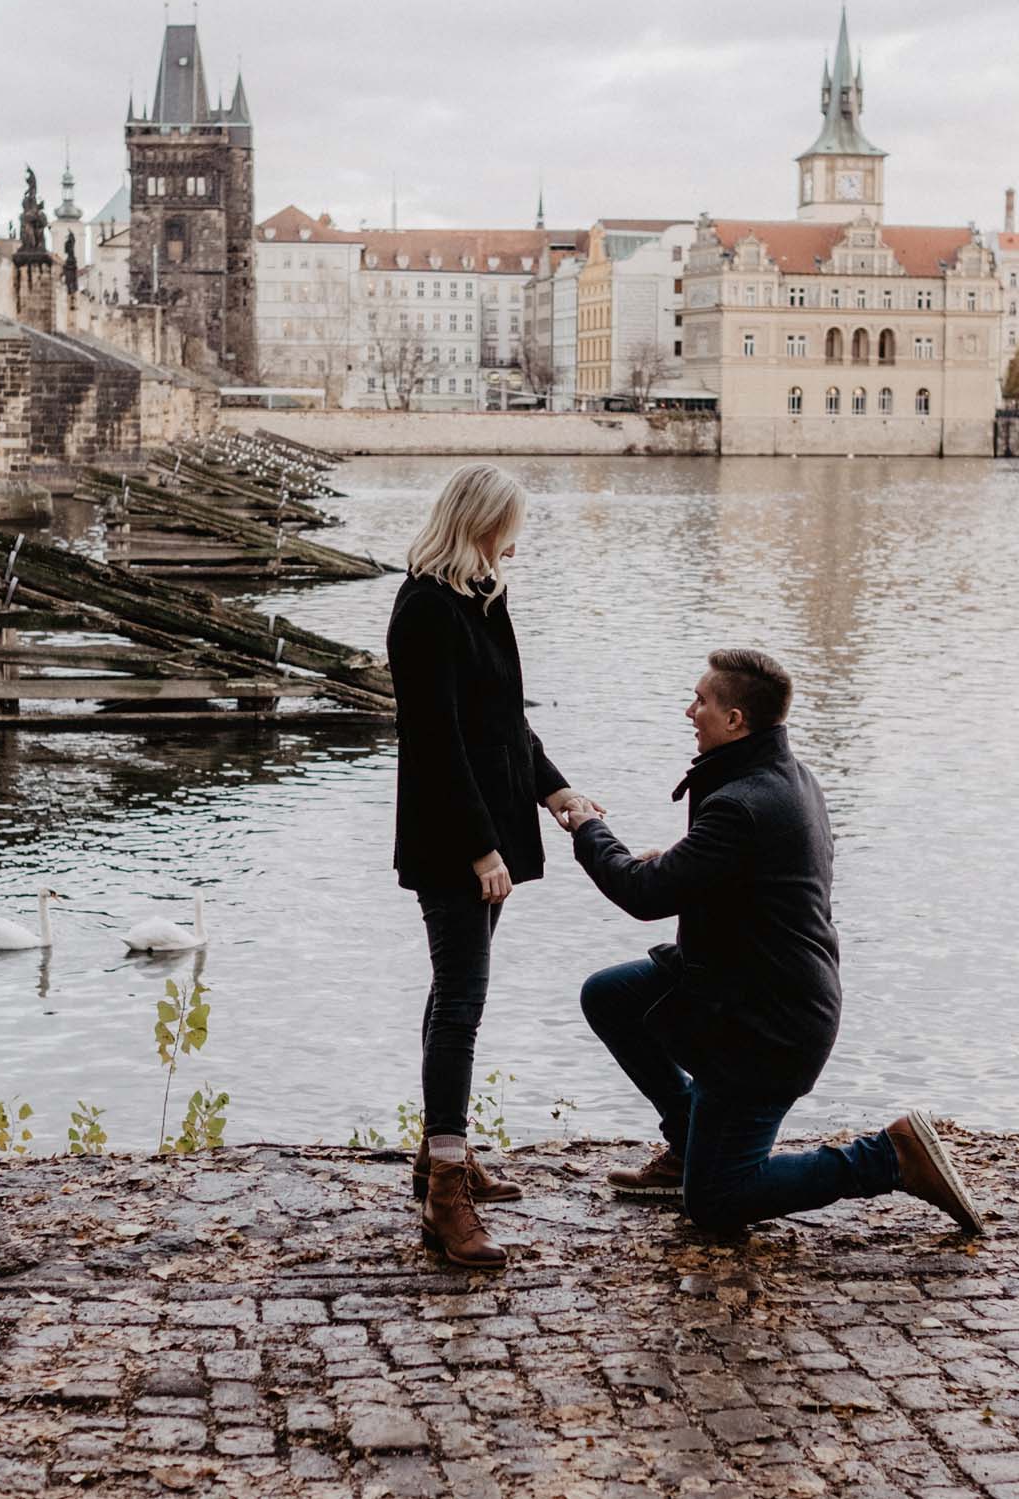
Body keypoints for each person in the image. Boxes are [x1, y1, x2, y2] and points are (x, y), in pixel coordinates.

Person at [563, 648, 985, 1237]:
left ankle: (889, 1157)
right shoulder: (786, 779)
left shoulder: (742, 802)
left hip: (765, 1026)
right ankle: (689, 1142)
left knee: (716, 1203)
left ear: (736, 720)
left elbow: (643, 895)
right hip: (740, 988)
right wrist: (687, 865)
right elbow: (763, 879)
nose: (690, 711)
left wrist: (587, 827)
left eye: (702, 700)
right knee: (610, 995)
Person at [388, 463, 598, 1269]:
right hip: (452, 837)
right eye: (505, 529)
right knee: (463, 1003)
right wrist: (480, 847)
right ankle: (446, 1191)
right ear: (476, 523)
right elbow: (436, 742)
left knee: (453, 992)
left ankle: (439, 1153)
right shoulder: (424, 610)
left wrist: (555, 788)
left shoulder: (481, 597)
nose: (513, 545)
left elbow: (505, 722)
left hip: (492, 830)